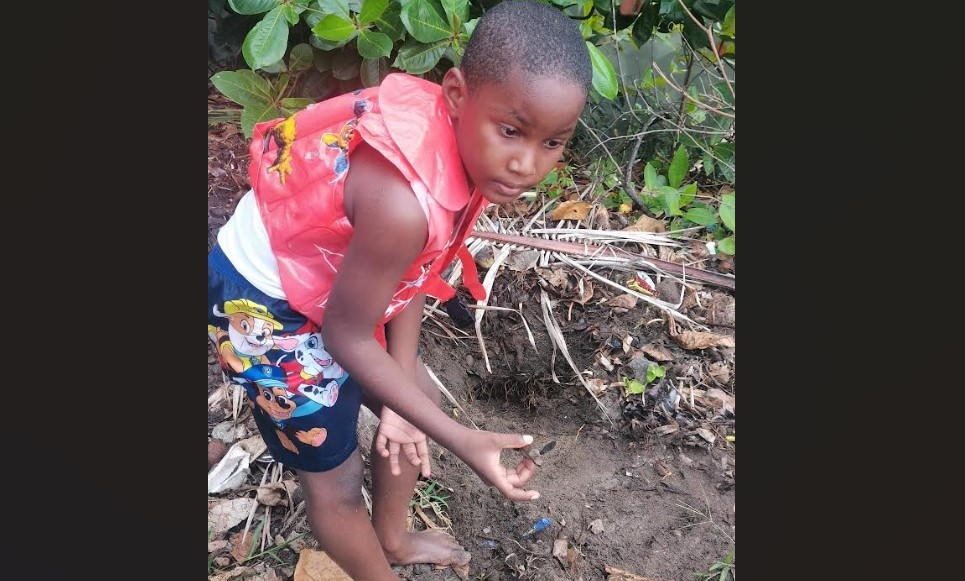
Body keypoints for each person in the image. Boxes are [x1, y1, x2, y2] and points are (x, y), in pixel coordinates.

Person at [207, 1, 592, 578]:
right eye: (511, 131)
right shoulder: (400, 203)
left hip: (333, 274)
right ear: (457, 95)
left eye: (553, 143)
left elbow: (413, 270)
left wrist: (399, 397)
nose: (525, 164)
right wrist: (463, 439)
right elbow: (345, 334)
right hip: (263, 307)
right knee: (335, 482)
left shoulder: (465, 151)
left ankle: (392, 539)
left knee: (413, 401)